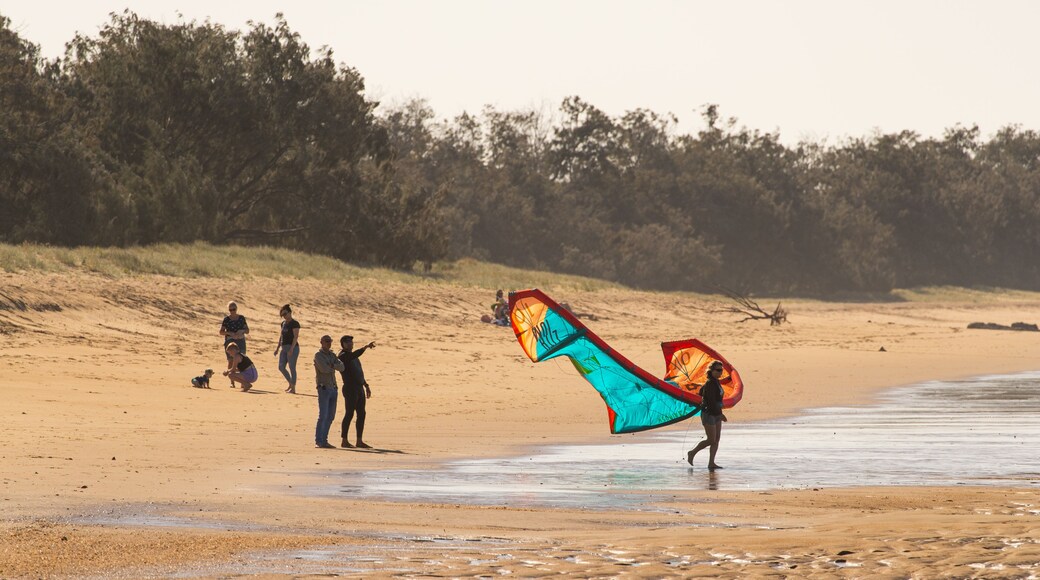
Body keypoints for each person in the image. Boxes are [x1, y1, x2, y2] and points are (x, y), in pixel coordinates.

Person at [687, 360, 728, 470]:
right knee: (711, 439)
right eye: (718, 370)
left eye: (721, 370)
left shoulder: (716, 382)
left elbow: (702, 393)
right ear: (711, 371)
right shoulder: (710, 383)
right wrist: (720, 414)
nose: (720, 372)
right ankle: (692, 452)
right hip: (709, 413)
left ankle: (711, 463)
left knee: (716, 439)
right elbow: (711, 402)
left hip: (717, 413)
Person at [338, 335, 376, 449]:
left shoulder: (354, 357)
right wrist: (365, 347)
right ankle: (344, 441)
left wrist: (366, 385)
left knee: (362, 414)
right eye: (347, 342)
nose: (350, 343)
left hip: (359, 388)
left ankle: (359, 441)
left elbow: (359, 372)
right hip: (350, 388)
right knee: (349, 414)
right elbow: (353, 355)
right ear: (343, 344)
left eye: (351, 342)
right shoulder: (343, 356)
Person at [313, 335, 345, 449]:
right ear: (321, 342)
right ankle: (319, 440)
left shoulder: (332, 355)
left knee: (330, 416)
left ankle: (324, 440)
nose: (328, 343)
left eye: (330, 341)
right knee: (323, 415)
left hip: (333, 387)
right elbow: (324, 369)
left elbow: (342, 367)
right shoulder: (318, 355)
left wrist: (333, 365)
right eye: (326, 341)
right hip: (324, 388)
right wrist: (334, 367)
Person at [219, 301, 249, 387]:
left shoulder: (241, 318)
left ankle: (243, 382)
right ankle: (232, 382)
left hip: (240, 340)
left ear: (236, 309)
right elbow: (221, 332)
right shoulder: (226, 319)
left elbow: (247, 330)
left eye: (234, 309)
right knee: (231, 361)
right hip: (230, 341)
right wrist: (230, 333)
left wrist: (241, 331)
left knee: (241, 360)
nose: (232, 311)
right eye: (230, 310)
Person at [274, 304, 301, 394]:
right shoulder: (283, 323)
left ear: (290, 312)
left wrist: (291, 349)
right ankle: (290, 383)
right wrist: (277, 348)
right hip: (284, 347)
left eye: (285, 314)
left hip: (292, 347)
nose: (284, 316)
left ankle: (293, 388)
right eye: (282, 315)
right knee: (281, 367)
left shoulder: (295, 323)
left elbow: (295, 337)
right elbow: (281, 336)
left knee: (292, 367)